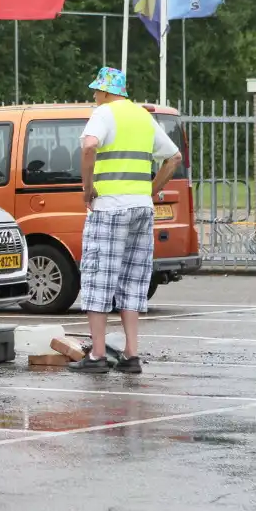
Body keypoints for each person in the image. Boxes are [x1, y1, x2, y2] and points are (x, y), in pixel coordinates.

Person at [69, 67, 183, 374]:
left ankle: (96, 356)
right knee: (133, 280)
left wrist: (87, 187)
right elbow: (174, 158)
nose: (94, 96)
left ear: (106, 92)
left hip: (109, 208)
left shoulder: (104, 114)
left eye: (96, 91)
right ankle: (132, 355)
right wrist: (151, 191)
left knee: (97, 277)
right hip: (141, 210)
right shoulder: (142, 116)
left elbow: (90, 145)